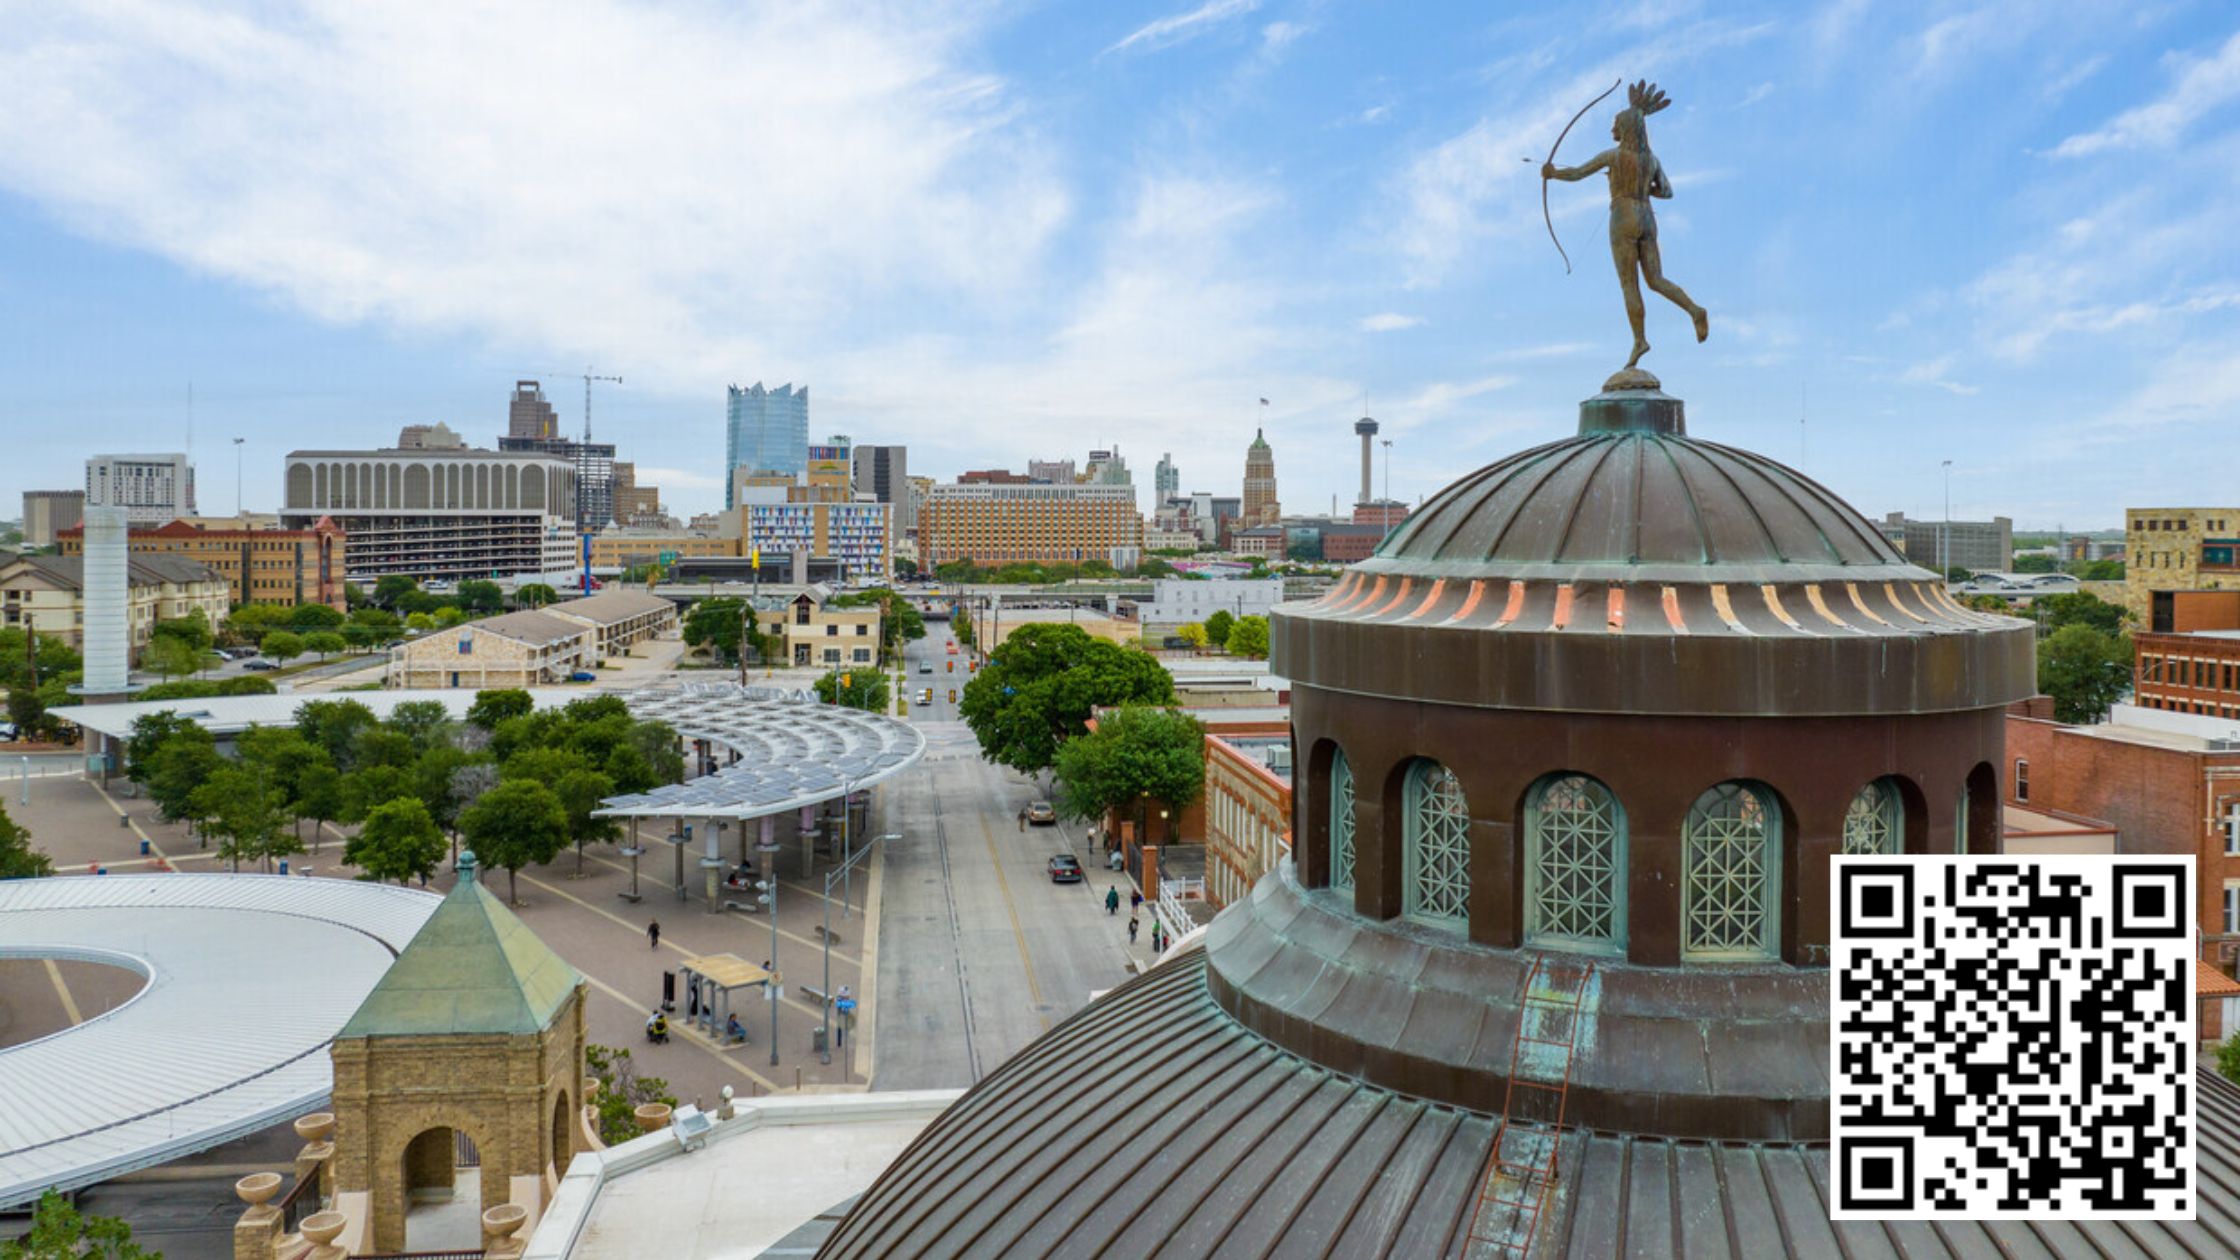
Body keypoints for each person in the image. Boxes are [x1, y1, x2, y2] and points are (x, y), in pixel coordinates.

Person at [1541, 80, 1707, 373]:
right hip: (1647, 218)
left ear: (1627, 128)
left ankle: (1640, 340)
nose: (1612, 130)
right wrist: (1644, 188)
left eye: (1616, 124)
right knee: (1656, 279)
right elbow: (1667, 192)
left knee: (1630, 284)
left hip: (1623, 216)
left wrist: (1553, 174)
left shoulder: (1614, 156)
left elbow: (1578, 173)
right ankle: (1694, 310)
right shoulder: (1651, 159)